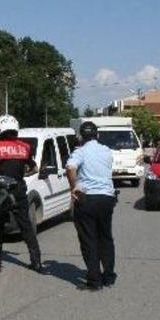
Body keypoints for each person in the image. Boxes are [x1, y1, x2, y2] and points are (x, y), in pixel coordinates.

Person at [0, 115, 44, 274]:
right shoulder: (25, 147)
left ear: (0, 130)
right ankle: (36, 262)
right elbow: (34, 168)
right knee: (26, 226)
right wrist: (21, 174)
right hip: (18, 190)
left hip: (1, 192)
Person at [65, 121, 117, 292]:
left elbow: (70, 167)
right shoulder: (106, 150)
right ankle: (108, 276)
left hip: (87, 198)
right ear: (97, 135)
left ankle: (94, 280)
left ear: (81, 136)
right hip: (107, 198)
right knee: (105, 237)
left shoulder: (80, 151)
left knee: (88, 239)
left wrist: (74, 187)